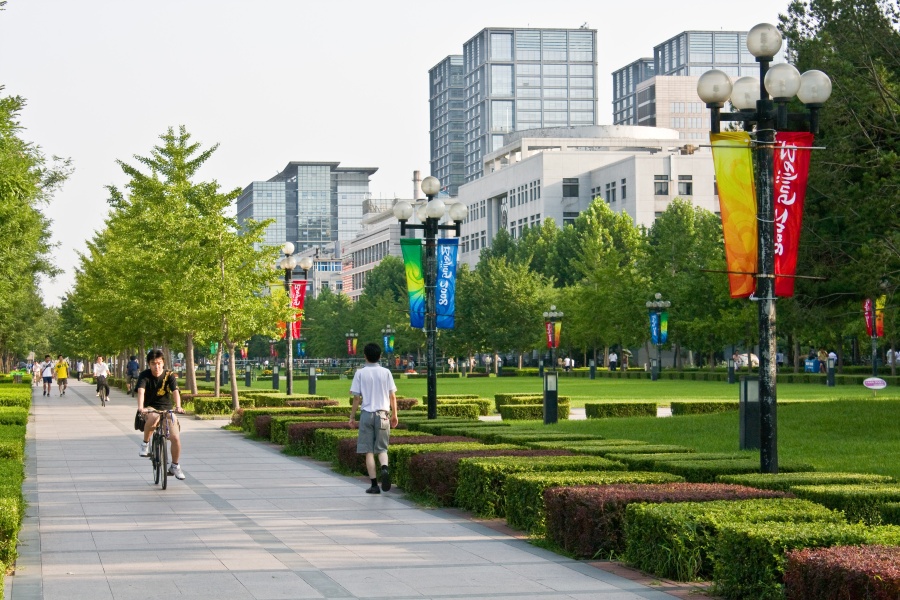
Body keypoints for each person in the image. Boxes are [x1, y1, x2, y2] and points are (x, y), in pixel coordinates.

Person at [349, 342, 398, 495]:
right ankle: (384, 468)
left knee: (368, 451)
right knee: (382, 448)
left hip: (366, 415)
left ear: (365, 356)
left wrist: (352, 417)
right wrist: (395, 414)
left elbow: (356, 398)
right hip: (383, 414)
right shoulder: (386, 372)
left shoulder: (360, 373)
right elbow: (392, 396)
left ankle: (374, 485)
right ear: (380, 356)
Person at [137, 349, 186, 480]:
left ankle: (175, 466)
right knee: (153, 417)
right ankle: (145, 443)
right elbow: (141, 391)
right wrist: (141, 407)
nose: (156, 366)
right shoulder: (144, 375)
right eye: (153, 363)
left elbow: (175, 391)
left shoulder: (169, 375)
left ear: (163, 363)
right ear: (149, 364)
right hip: (151, 408)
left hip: (167, 408)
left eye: (159, 363)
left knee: (175, 437)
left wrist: (178, 406)